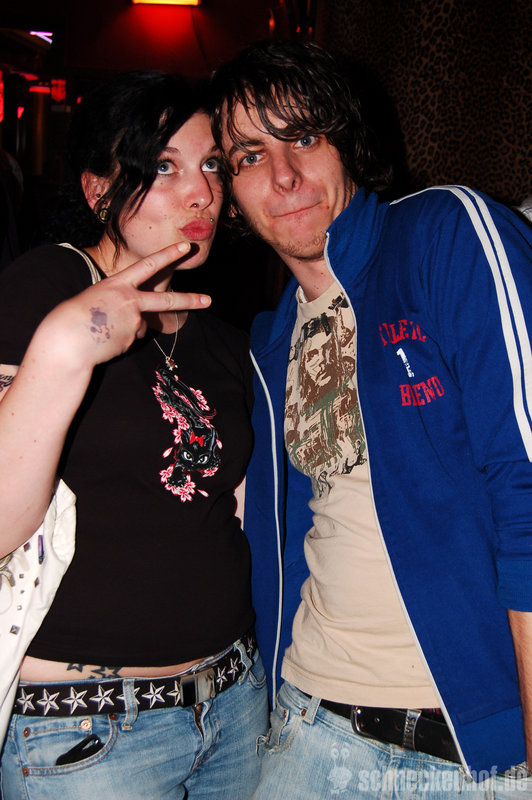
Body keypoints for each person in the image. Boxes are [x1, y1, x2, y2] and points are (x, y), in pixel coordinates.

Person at [209, 40, 532, 798]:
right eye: (250, 155)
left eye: (304, 137)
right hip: (308, 732)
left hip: (478, 754)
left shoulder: (444, 236)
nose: (283, 175)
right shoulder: (269, 340)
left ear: (346, 141)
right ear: (229, 190)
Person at [0, 70, 268, 800]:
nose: (201, 193)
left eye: (212, 165)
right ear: (98, 190)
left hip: (235, 703)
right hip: (88, 731)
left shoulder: (221, 335)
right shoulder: (48, 289)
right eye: (164, 167)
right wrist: (65, 347)